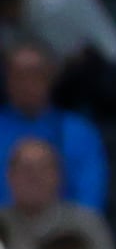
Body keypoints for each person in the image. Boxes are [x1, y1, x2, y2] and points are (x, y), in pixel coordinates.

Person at [0, 40, 105, 210]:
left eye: (35, 75)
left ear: (51, 78)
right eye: (19, 76)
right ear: (7, 81)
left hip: (65, 230)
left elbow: (90, 199)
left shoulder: (78, 132)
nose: (27, 84)